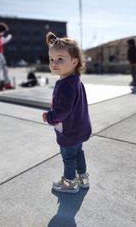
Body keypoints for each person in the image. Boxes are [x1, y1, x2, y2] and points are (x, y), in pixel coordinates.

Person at [42, 32, 92, 194]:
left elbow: (62, 112)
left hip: (69, 131)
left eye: (60, 59)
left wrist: (49, 117)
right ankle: (83, 178)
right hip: (79, 129)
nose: (54, 63)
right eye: (51, 59)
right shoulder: (75, 80)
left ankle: (70, 182)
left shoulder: (65, 85)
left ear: (74, 61)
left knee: (68, 157)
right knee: (78, 153)